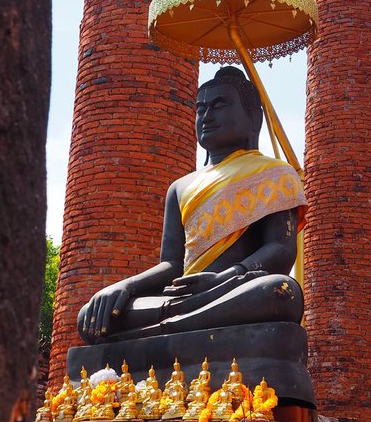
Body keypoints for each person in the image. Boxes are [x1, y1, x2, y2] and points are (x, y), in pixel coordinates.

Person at [77, 66, 306, 343]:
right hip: (183, 297)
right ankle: (179, 323)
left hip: (234, 288)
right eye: (201, 108)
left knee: (280, 291)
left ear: (253, 117)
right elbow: (173, 265)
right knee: (91, 314)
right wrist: (125, 286)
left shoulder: (274, 174)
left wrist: (225, 277)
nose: (207, 116)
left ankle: (165, 330)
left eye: (219, 105)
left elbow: (282, 248)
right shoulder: (180, 187)